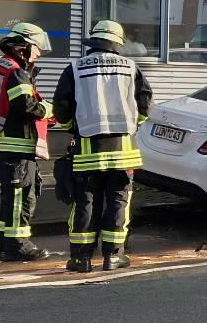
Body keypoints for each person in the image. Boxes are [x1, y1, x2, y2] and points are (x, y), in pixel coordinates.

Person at [53, 20, 153, 272]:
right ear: (117, 43)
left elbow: (61, 108)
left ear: (93, 41)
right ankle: (113, 256)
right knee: (118, 201)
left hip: (88, 149)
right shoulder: (131, 67)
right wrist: (134, 124)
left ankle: (81, 259)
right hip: (122, 150)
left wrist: (73, 128)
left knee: (86, 201)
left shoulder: (75, 68)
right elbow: (145, 104)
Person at [0, 22, 55, 262]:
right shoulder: (16, 72)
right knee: (22, 197)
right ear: (23, 47)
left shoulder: (6, 66)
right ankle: (18, 246)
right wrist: (48, 109)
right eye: (37, 47)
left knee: (10, 198)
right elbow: (25, 106)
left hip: (8, 146)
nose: (39, 53)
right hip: (17, 147)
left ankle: (3, 245)